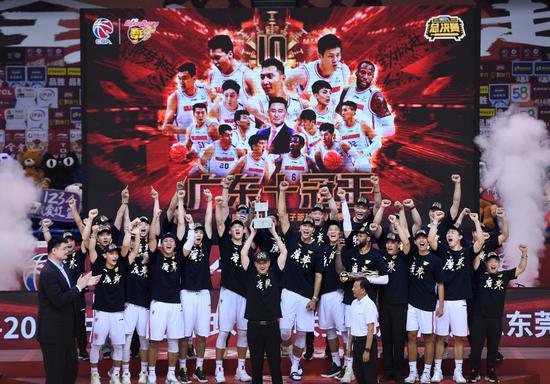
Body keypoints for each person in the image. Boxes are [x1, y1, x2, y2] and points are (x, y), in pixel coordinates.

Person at [428, 212, 485, 383]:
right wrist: (436, 222)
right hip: (443, 301)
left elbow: (481, 242)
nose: (449, 235)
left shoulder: (467, 252)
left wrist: (475, 221)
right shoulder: (444, 251)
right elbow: (431, 241)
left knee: (459, 338)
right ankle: (437, 370)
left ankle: (457, 371)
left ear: (460, 236)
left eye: (453, 233)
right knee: (440, 337)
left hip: (460, 301)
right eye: (448, 233)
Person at [278, 180, 324, 381]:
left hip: (306, 297)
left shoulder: (317, 250)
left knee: (303, 334)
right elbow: (281, 215)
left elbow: (318, 275)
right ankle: (291, 356)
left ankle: (295, 366)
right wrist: (282, 191)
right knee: (284, 332)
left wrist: (315, 297)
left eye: (309, 226)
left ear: (313, 230)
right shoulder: (293, 238)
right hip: (288, 292)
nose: (306, 228)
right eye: (304, 225)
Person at [38, 237, 100, 384]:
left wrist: (85, 285)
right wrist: (79, 287)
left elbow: (70, 291)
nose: (68, 250)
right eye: (64, 248)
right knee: (55, 376)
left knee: (70, 371)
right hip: (53, 334)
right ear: (54, 251)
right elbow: (59, 300)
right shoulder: (48, 272)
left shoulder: (63, 266)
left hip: (67, 332)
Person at [88, 219, 141, 384]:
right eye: (111, 253)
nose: (114, 255)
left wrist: (136, 233)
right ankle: (94, 374)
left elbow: (133, 250)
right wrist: (94, 233)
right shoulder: (97, 264)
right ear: (104, 254)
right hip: (101, 312)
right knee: (97, 345)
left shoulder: (123, 265)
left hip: (118, 312)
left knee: (118, 346)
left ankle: (115, 374)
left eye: (116, 253)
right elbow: (91, 247)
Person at [467, 245, 528, 383]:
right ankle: (474, 372)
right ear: (486, 264)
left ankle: (490, 372)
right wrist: (481, 244)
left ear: (499, 264)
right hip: (479, 318)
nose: (493, 264)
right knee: (476, 348)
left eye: (496, 261)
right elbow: (476, 261)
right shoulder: (479, 274)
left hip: (495, 319)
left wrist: (524, 253)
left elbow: (521, 268)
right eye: (490, 262)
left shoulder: (504, 275)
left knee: (493, 348)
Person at [335, 223, 388, 383]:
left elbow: (385, 279)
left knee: (366, 331)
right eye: (357, 236)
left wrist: (364, 278)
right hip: (350, 300)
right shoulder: (351, 253)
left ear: (369, 239)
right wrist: (338, 252)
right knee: (349, 333)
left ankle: (364, 372)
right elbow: (341, 273)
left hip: (366, 300)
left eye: (361, 236)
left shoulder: (376, 255)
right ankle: (349, 370)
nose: (358, 238)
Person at [147, 191, 189, 384]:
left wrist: (180, 201)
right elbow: (153, 238)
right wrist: (155, 217)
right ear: (163, 245)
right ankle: (152, 373)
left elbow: (181, 227)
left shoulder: (180, 256)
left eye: (172, 241)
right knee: (154, 341)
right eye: (167, 241)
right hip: (158, 304)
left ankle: (172, 374)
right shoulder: (156, 256)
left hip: (175, 304)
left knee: (174, 341)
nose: (170, 243)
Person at [241, 220, 288, 384]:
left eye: (265, 262)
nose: (262, 265)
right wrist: (252, 233)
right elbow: (243, 254)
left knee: (276, 365)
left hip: (272, 326)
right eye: (259, 262)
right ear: (255, 264)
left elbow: (283, 253)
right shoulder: (250, 275)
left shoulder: (275, 274)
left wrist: (274, 232)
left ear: (269, 263)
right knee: (256, 366)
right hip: (254, 326)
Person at [213, 194, 252, 383]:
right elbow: (220, 222)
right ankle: (219, 369)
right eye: (234, 227)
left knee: (244, 334)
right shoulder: (226, 243)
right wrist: (220, 203)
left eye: (240, 227)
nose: (237, 229)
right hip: (228, 293)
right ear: (230, 232)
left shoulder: (249, 246)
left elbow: (251, 227)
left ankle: (241, 369)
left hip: (245, 296)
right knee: (224, 332)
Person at [178, 189, 214, 384]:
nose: (199, 234)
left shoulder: (206, 245)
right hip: (187, 293)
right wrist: (182, 200)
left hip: (203, 293)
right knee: (185, 334)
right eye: (196, 231)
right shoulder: (185, 245)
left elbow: (209, 222)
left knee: (202, 334)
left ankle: (199, 367)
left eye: (201, 232)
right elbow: (183, 225)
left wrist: (209, 201)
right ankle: (183, 368)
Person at [404, 228, 444, 384]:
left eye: (424, 238)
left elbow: (440, 284)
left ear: (428, 241)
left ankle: (426, 372)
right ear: (415, 242)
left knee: (428, 338)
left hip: (428, 304)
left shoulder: (435, 260)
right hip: (412, 304)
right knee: (411, 337)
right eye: (418, 238)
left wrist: (440, 305)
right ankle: (413, 372)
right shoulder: (412, 256)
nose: (421, 240)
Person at [377, 215, 410, 383]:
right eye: (388, 242)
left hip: (400, 303)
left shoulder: (405, 256)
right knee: (387, 338)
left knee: (398, 338)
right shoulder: (381, 256)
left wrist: (397, 223)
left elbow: (407, 243)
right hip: (383, 302)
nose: (390, 245)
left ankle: (398, 370)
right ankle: (388, 370)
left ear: (398, 244)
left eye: (393, 242)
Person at [121, 219, 152, 384]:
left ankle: (144, 372)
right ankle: (125, 372)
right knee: (126, 340)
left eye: (136, 240)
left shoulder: (150, 259)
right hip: (130, 305)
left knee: (143, 341)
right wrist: (133, 232)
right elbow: (129, 247)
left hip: (145, 306)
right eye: (132, 240)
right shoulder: (127, 259)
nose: (134, 243)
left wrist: (150, 258)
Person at [287, 33, 350, 109]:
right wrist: (299, 103)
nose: (335, 60)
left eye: (338, 55)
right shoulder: (304, 74)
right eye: (331, 56)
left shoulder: (344, 71)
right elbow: (280, 85)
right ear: (320, 56)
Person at [338, 60, 395, 138]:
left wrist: (369, 133)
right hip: (346, 140)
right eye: (363, 72)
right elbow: (338, 113)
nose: (365, 77)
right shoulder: (347, 90)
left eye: (369, 74)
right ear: (357, 73)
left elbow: (391, 129)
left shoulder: (376, 96)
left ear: (372, 77)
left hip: (365, 146)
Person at [246, 58, 305, 129]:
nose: (265, 82)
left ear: (282, 78)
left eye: (269, 76)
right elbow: (247, 105)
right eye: (262, 77)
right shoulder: (257, 103)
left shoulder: (299, 104)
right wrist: (264, 118)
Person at [162, 62, 211, 137]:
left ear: (194, 79)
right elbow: (166, 128)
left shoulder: (206, 90)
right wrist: (192, 131)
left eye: (184, 78)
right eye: (179, 78)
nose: (181, 82)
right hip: (185, 146)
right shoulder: (174, 97)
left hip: (207, 145)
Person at [208, 34, 257, 104]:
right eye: (212, 58)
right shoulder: (212, 74)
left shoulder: (247, 75)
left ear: (230, 54)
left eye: (217, 58)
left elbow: (260, 104)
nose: (214, 62)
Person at [339, 101, 381, 172]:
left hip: (362, 158)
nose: (342, 113)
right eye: (342, 111)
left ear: (353, 112)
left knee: (363, 167)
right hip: (348, 160)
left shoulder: (362, 125)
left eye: (345, 110)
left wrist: (363, 152)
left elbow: (378, 143)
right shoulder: (338, 127)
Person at [350, 278, 378, 384]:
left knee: (369, 376)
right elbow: (352, 327)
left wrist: (367, 350)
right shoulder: (353, 303)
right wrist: (349, 346)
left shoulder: (369, 305)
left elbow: (370, 329)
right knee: (359, 374)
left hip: (366, 343)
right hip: (356, 343)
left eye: (355, 287)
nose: (352, 289)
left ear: (363, 290)